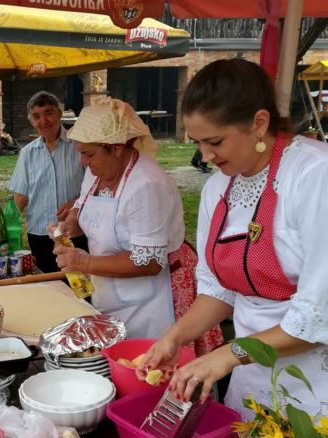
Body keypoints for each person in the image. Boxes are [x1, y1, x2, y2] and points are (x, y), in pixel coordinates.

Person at [138, 59, 328, 419]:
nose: (205, 157)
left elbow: (319, 314)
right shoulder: (218, 188)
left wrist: (227, 354)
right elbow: (219, 291)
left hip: (314, 380)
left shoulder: (315, 175)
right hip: (249, 372)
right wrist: (175, 338)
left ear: (259, 123)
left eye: (215, 141)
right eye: (197, 143)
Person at [51, 98, 223, 353]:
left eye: (89, 154)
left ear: (117, 147)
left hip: (157, 295)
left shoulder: (147, 185)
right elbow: (83, 206)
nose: (82, 162)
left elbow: (149, 262)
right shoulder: (97, 170)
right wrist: (70, 224)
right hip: (113, 287)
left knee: (152, 365)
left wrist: (84, 263)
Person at [7, 91, 86, 273]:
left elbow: (97, 187)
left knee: (80, 286)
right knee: (47, 284)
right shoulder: (27, 153)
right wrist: (4, 227)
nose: (43, 121)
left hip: (75, 231)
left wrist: (75, 203)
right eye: (36, 116)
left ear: (59, 113)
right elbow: (20, 196)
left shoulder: (79, 146)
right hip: (39, 233)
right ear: (31, 121)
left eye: (49, 113)